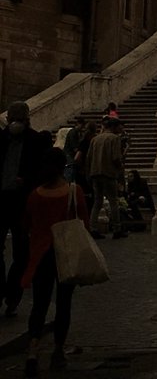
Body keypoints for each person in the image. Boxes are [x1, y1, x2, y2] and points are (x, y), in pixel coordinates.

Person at [21, 148, 87, 377]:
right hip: (65, 253)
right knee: (63, 303)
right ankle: (58, 349)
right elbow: (83, 222)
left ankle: (32, 350)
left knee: (39, 305)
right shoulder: (73, 191)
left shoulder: (35, 195)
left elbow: (27, 224)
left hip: (40, 254)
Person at [0, 102, 48, 317]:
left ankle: (11, 292)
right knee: (20, 253)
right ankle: (11, 294)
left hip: (19, 202)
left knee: (20, 252)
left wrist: (26, 180)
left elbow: (40, 173)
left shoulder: (35, 140)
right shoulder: (35, 140)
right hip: (13, 202)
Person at [86, 116, 126, 239]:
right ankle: (116, 229)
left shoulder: (95, 139)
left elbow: (89, 157)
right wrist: (121, 171)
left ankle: (92, 228)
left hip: (95, 172)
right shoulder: (114, 139)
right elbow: (116, 158)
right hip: (108, 173)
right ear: (114, 127)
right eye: (119, 126)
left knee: (97, 202)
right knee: (113, 201)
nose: (121, 129)